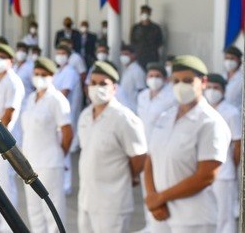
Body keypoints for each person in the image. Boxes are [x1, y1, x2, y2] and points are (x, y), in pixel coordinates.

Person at [144, 55, 232, 233]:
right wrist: (153, 198)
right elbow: (150, 160)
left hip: (194, 219)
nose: (180, 86)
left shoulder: (210, 122)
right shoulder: (165, 117)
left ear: (203, 82)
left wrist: (160, 197)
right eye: (176, 81)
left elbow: (206, 176)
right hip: (161, 214)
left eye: (187, 80)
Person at [78, 61, 147, 233]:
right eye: (93, 83)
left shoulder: (124, 118)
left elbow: (139, 158)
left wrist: (125, 176)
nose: (97, 88)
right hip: (86, 199)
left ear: (114, 88)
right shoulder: (85, 115)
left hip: (112, 203)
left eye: (103, 84)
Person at [21, 57, 72, 233]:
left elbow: (67, 132)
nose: (39, 77)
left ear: (52, 76)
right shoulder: (31, 98)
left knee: (53, 211)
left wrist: (60, 154)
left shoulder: (57, 99)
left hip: (50, 163)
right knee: (34, 211)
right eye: (36, 74)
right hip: (29, 163)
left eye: (44, 75)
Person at [0, 43, 25, 233]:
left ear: (11, 61)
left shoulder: (13, 81)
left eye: (1, 57)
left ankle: (9, 228)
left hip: (4, 143)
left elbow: (8, 115)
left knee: (7, 188)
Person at [136, 62, 176, 229]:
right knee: (146, 187)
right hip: (143, 147)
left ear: (165, 79)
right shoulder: (143, 95)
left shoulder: (171, 97)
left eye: (158, 76)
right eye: (151, 76)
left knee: (159, 185)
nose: (154, 79)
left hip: (159, 148)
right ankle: (149, 223)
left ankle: (161, 225)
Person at [204, 74, 242, 233]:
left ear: (223, 90)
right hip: (203, 172)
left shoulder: (231, 112)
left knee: (225, 216)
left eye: (216, 88)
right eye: (209, 88)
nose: (212, 91)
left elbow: (238, 143)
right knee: (208, 213)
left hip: (224, 172)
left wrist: (231, 165)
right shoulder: (202, 110)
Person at [52, 43, 83, 195]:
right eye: (58, 52)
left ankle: (66, 184)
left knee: (65, 149)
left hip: (64, 114)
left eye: (63, 53)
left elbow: (64, 92)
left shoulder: (70, 72)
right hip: (55, 115)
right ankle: (60, 181)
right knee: (57, 148)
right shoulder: (58, 71)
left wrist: (50, 104)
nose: (60, 56)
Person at [130, 5, 164, 69]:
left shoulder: (155, 28)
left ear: (150, 14)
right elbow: (132, 42)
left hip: (152, 57)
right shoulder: (136, 28)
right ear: (140, 14)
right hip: (139, 56)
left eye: (147, 13)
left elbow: (160, 42)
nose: (145, 15)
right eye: (143, 13)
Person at [117, 44, 146, 114]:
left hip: (134, 109)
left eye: (126, 54)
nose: (123, 57)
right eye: (122, 55)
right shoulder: (126, 70)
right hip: (125, 108)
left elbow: (141, 91)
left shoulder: (137, 71)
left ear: (133, 55)